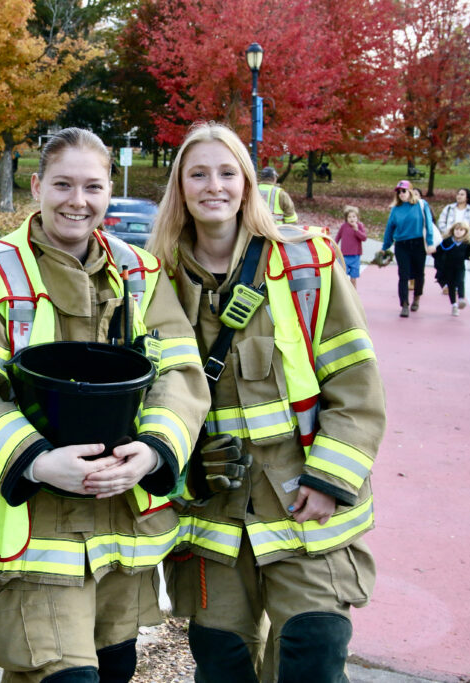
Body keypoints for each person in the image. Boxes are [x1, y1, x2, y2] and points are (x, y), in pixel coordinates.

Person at [0, 127, 211, 683]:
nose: (77, 201)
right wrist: (36, 462)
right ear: (37, 186)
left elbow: (180, 373)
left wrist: (154, 452)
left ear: (109, 191)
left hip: (119, 524)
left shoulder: (140, 274)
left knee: (112, 667)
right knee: (61, 674)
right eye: (62, 184)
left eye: (92, 186)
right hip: (29, 530)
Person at [148, 122, 386, 683]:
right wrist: (181, 477)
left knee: (315, 656)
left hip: (305, 504)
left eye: (228, 173)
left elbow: (357, 384)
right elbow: (146, 397)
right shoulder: (152, 278)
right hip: (213, 520)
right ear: (179, 187)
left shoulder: (307, 264)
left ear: (248, 184)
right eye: (198, 173)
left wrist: (329, 479)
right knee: (223, 666)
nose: (214, 186)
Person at [380, 180, 436, 317]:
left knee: (419, 274)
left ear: (410, 191)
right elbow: (389, 228)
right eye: (398, 192)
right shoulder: (395, 209)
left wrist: (430, 242)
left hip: (418, 244)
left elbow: (428, 223)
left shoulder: (421, 205)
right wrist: (385, 247)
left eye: (403, 191)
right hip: (402, 245)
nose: (401, 194)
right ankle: (404, 304)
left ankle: (416, 297)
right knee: (403, 275)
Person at [436, 188, 470, 294]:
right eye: (458, 194)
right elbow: (441, 221)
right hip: (449, 239)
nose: (459, 196)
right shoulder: (449, 208)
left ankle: (456, 285)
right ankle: (446, 284)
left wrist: (466, 236)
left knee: (459, 265)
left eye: (462, 194)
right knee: (445, 262)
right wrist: (447, 233)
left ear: (467, 198)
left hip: (463, 241)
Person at [434, 221, 470, 316]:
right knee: (451, 286)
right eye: (456, 229)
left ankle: (461, 298)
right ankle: (454, 305)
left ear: (465, 232)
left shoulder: (467, 244)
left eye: (461, 230)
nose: (458, 232)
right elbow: (438, 251)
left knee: (460, 281)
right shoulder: (447, 242)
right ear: (453, 230)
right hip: (448, 268)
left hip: (460, 267)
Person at [334, 205, 367, 288]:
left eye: (354, 216)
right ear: (346, 218)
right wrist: (334, 245)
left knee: (353, 279)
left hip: (355, 256)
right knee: (343, 277)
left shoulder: (359, 226)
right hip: (344, 256)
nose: (352, 219)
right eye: (349, 217)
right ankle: (345, 295)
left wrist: (357, 230)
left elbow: (364, 238)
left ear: (357, 217)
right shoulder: (343, 226)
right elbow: (338, 237)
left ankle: (354, 296)